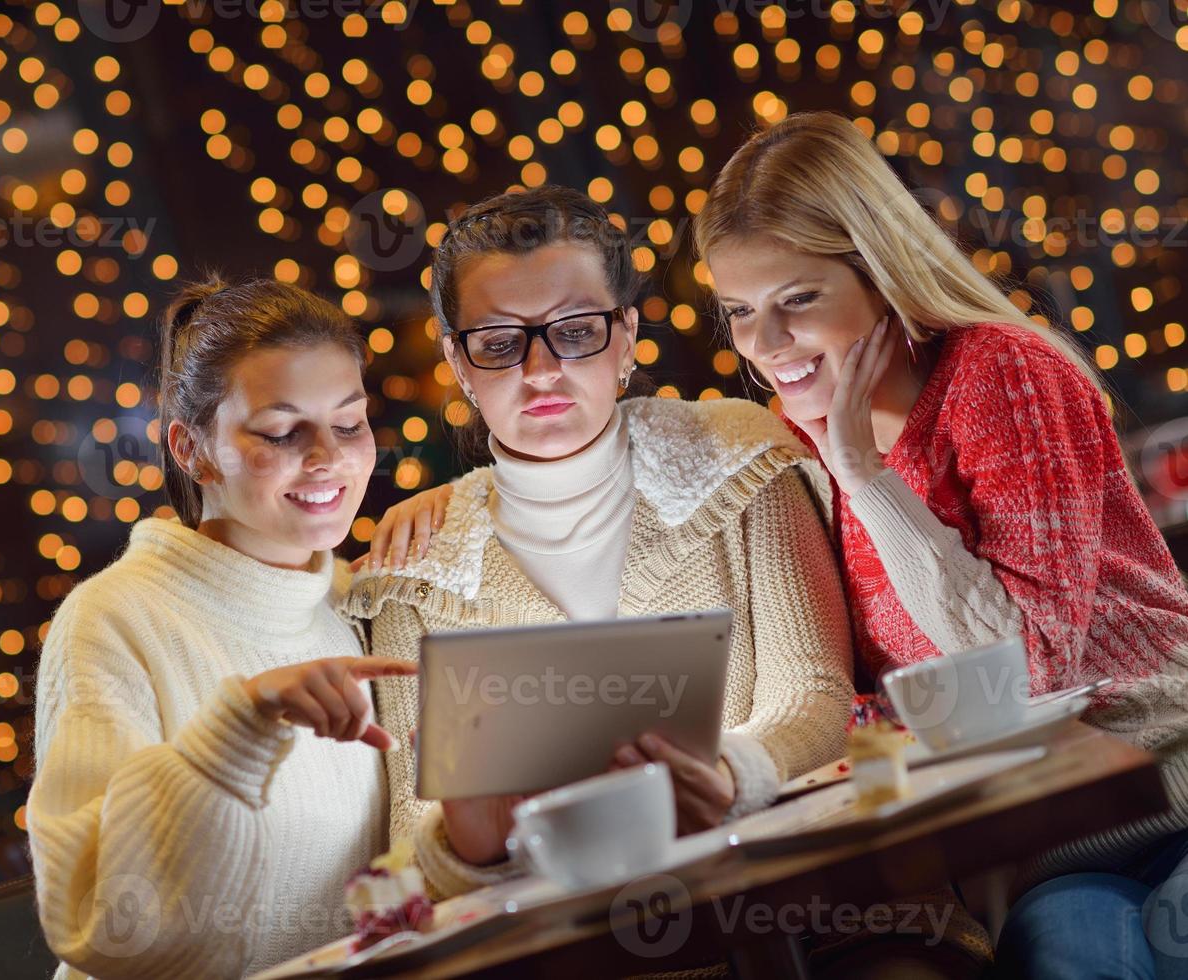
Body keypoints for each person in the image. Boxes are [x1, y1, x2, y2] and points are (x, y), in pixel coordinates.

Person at [690, 111, 1188, 977]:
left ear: (879, 277)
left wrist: (867, 477)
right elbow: (877, 697)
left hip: (1162, 785)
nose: (765, 348)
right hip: (1040, 850)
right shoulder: (793, 442)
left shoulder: (998, 372)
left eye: (797, 300)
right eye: (739, 312)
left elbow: (1028, 668)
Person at [345, 185, 856, 904]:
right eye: (497, 344)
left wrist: (734, 773)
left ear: (625, 335)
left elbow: (819, 693)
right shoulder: (414, 569)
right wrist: (469, 839)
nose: (540, 371)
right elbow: (411, 828)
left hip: (795, 913)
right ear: (458, 364)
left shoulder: (741, 458)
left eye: (575, 330)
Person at [26, 275, 417, 979]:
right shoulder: (112, 620)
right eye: (280, 430)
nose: (328, 456)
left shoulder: (353, 601)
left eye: (349, 422)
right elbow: (99, 924)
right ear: (191, 449)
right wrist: (238, 728)